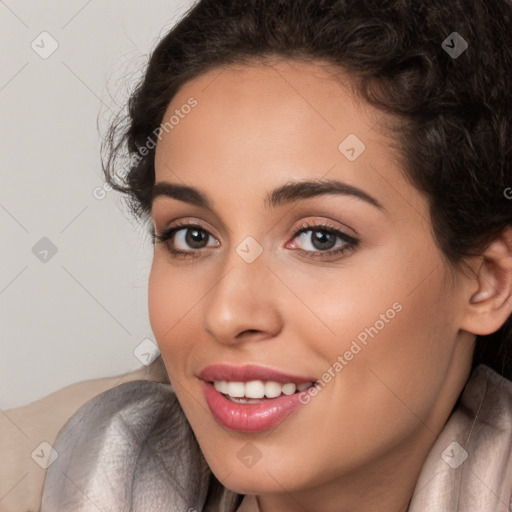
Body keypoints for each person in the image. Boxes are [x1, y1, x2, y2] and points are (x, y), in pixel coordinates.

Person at [40, 1, 512, 511]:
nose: (226, 314)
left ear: (489, 282)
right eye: (192, 237)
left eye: (319, 239)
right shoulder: (57, 474)